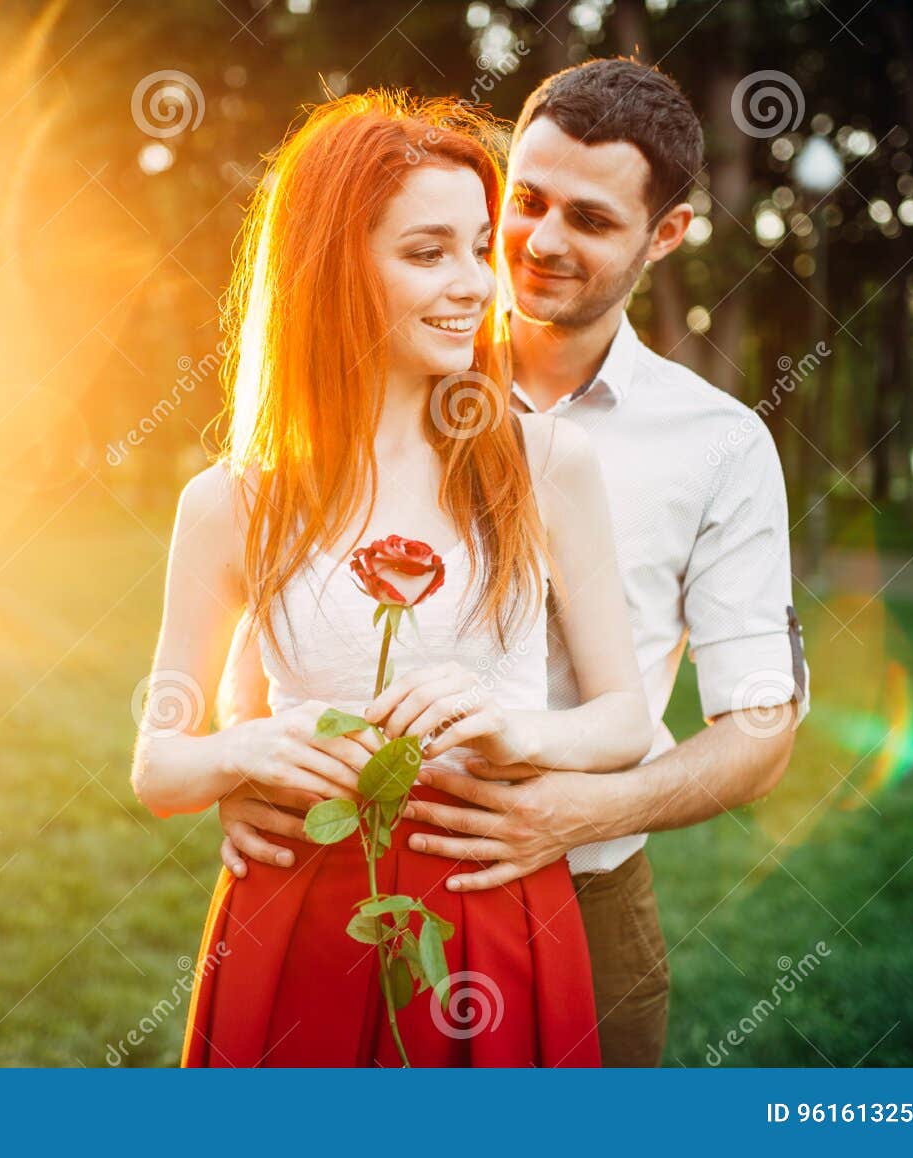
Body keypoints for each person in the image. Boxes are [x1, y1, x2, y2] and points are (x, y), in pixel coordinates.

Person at [215, 59, 810, 1067]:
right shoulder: (371, 378)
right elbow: (262, 639)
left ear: (663, 237)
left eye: (590, 218)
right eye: (526, 200)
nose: (539, 242)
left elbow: (760, 727)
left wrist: (582, 811)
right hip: (349, 889)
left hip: (584, 893)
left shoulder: (717, 446)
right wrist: (244, 760)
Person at [129, 90, 652, 1067]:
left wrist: (519, 732)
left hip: (489, 905)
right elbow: (158, 766)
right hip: (296, 920)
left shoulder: (545, 463)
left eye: (479, 247)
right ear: (332, 273)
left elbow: (625, 717)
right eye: (426, 253)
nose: (476, 286)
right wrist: (250, 753)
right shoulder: (233, 503)